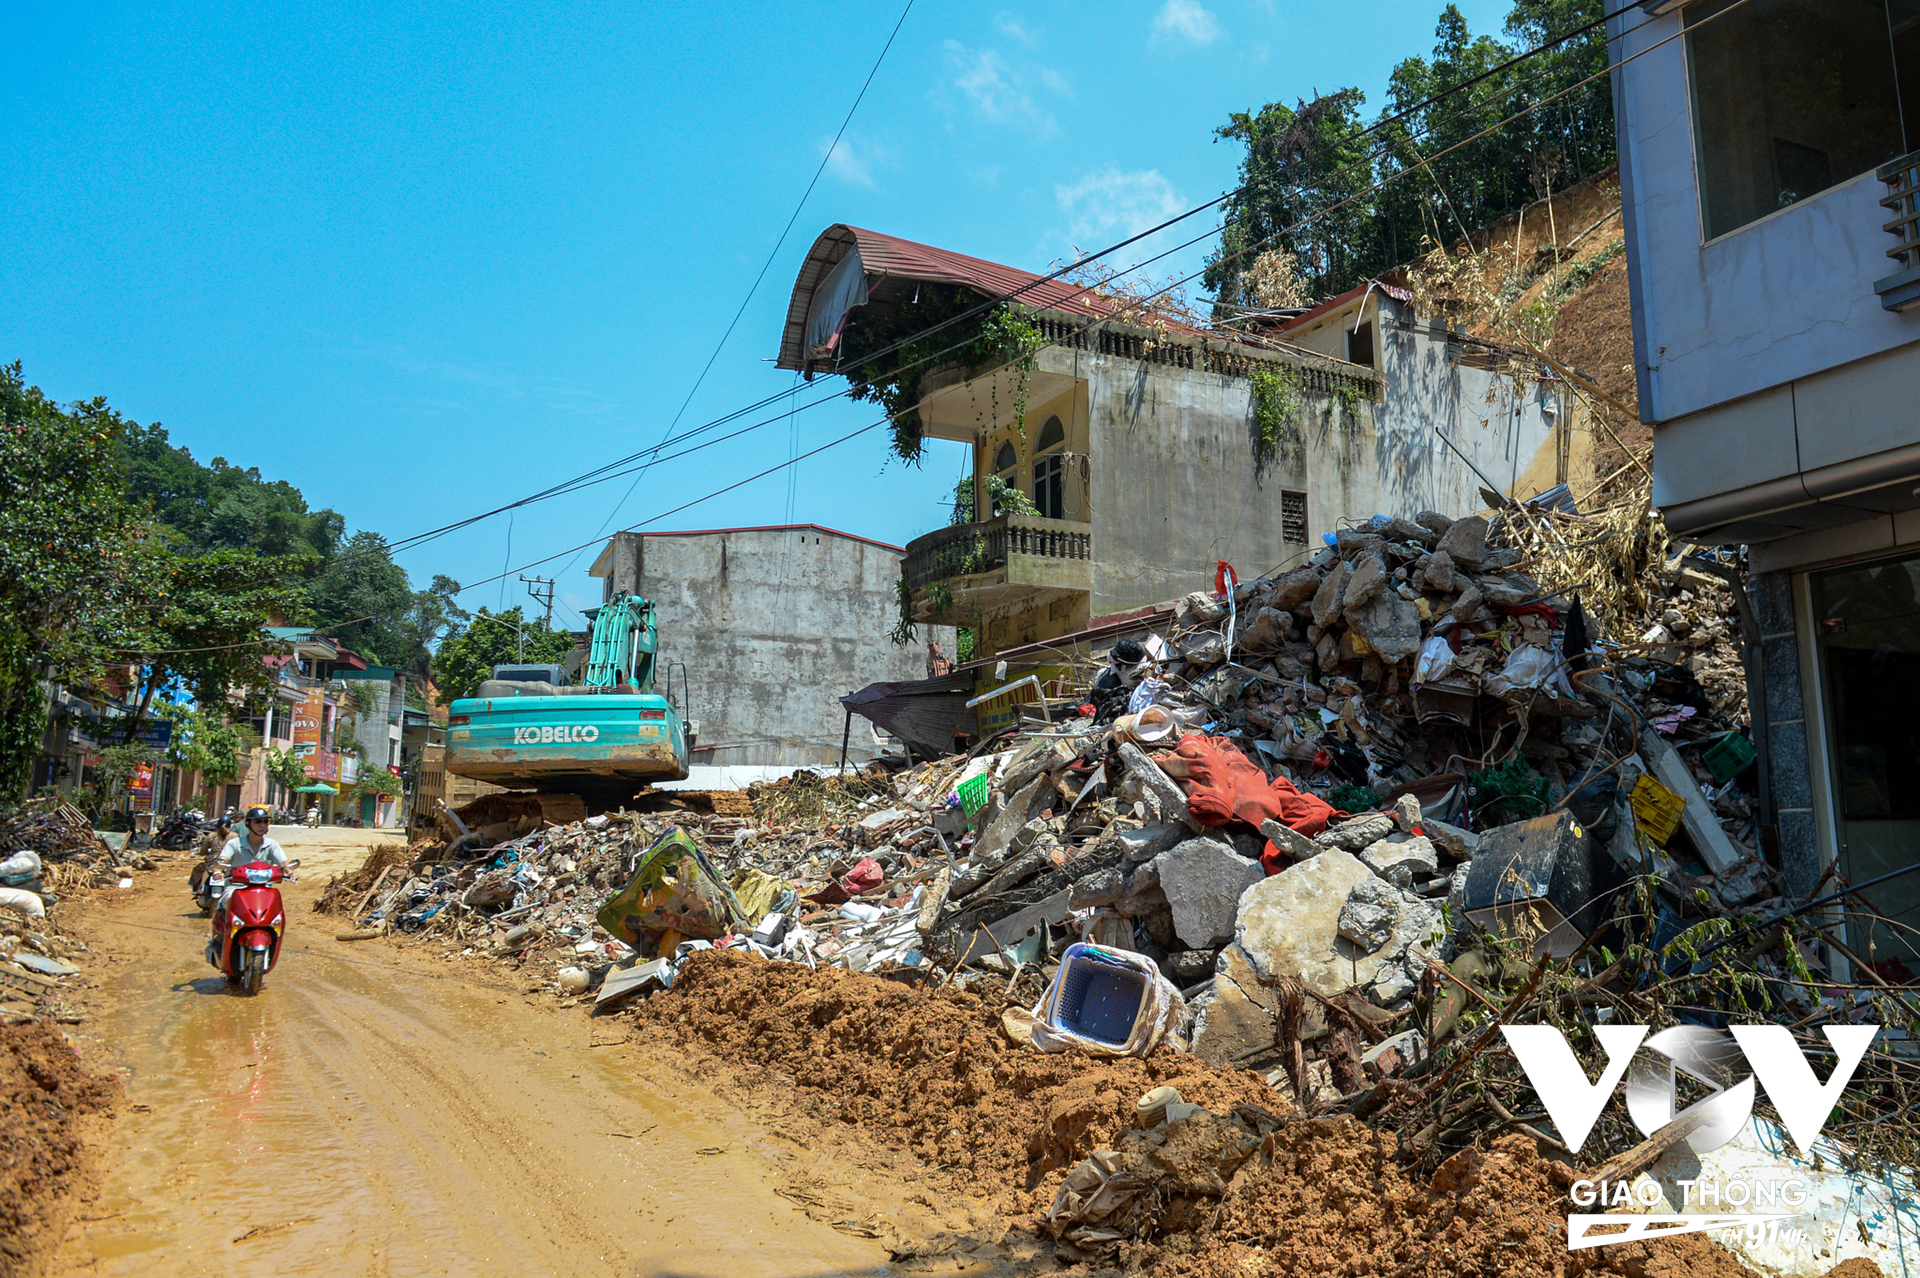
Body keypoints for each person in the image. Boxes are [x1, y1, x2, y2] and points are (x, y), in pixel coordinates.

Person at [209, 808, 290, 950]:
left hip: (264, 890)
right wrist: (218, 871)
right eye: (258, 822)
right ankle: (225, 937)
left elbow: (283, 863)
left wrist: (290, 871)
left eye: (265, 822)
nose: (262, 825)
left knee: (276, 911)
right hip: (236, 888)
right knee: (228, 902)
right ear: (248, 823)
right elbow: (223, 859)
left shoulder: (271, 844)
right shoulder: (235, 844)